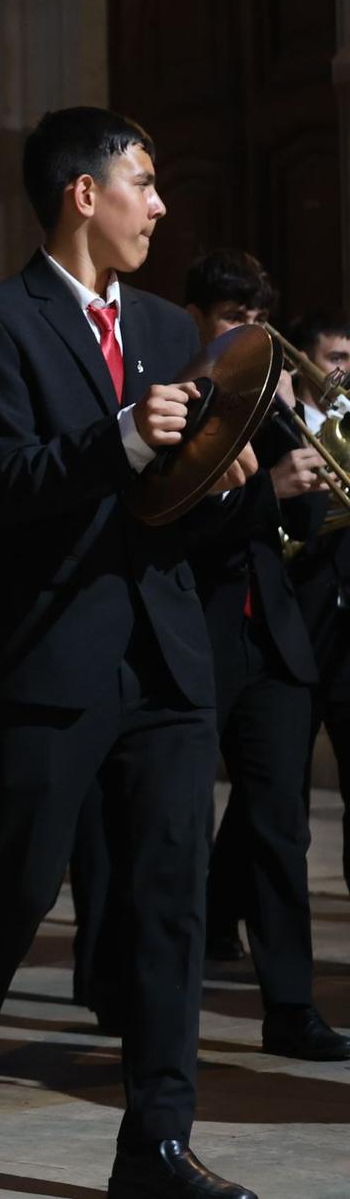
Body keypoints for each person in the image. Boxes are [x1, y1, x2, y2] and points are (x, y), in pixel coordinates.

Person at [0, 106, 257, 1199]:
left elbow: (168, 510)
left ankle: (154, 1141)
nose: (156, 204)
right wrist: (120, 436)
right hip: (46, 654)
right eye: (140, 183)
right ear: (80, 194)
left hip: (161, 656)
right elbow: (3, 486)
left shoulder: (163, 325)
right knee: (13, 888)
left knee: (168, 900)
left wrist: (228, 487)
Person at [173, 251, 347, 1060]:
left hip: (273, 638)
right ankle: (134, 988)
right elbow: (170, 520)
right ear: (200, 322)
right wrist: (266, 491)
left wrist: (300, 469)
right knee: (166, 826)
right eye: (231, 320)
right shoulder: (177, 399)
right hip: (195, 635)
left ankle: (290, 1007)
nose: (245, 334)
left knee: (282, 833)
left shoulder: (279, 411)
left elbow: (304, 530)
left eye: (255, 320)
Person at [285, 316, 350, 890]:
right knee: (283, 797)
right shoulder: (282, 425)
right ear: (304, 362)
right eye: (334, 358)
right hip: (297, 629)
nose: (343, 371)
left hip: (345, 636)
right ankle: (227, 910)